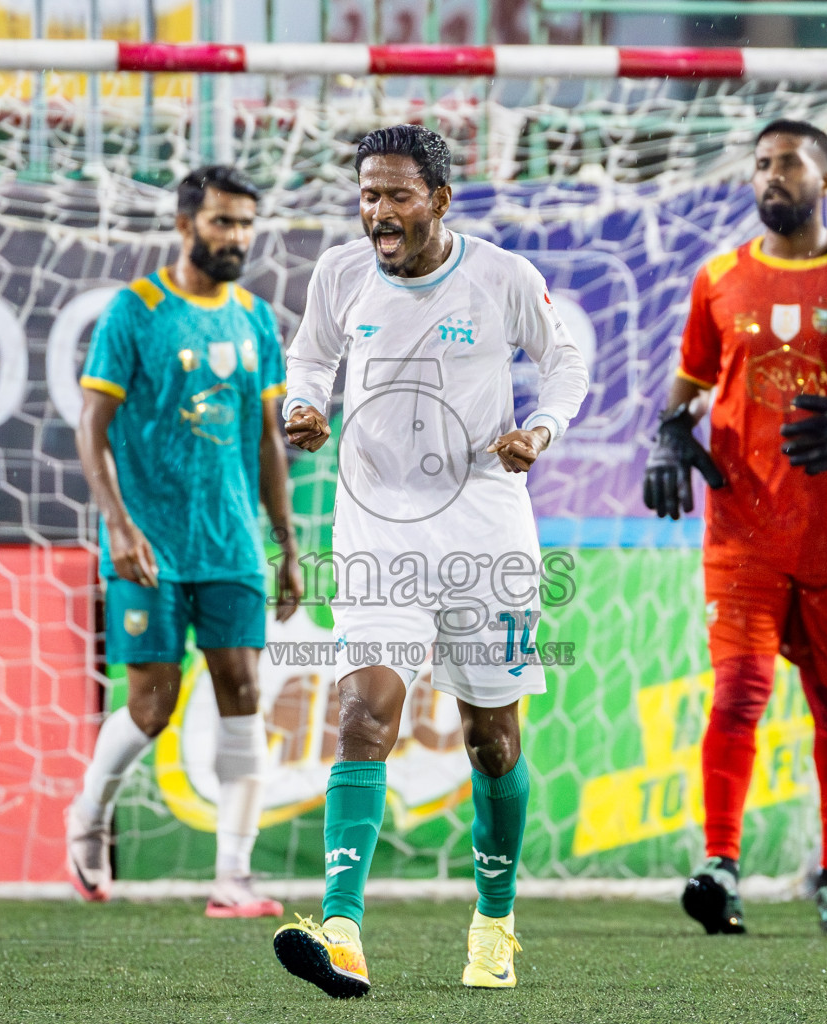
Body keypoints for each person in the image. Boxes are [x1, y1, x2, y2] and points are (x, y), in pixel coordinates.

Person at [272, 125, 588, 998]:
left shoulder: (500, 277)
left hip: (485, 528)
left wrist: (540, 430)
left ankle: (494, 925)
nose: (378, 212)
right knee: (363, 716)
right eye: (369, 194)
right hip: (375, 526)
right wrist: (304, 405)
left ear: (440, 201)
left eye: (397, 195)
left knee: (493, 741)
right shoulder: (338, 273)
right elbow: (312, 356)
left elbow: (565, 363)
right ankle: (341, 930)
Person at [644, 120, 827, 934]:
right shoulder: (718, 276)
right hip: (744, 528)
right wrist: (666, 437)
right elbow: (683, 392)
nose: (771, 177)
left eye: (788, 164)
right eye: (760, 165)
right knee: (741, 691)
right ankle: (720, 867)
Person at [65, 166, 302, 918]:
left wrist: (288, 544)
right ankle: (89, 817)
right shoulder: (135, 313)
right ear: (185, 225)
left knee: (243, 693)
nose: (236, 238)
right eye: (222, 223)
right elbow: (91, 429)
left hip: (231, 542)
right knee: (150, 705)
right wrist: (118, 524)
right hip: (149, 544)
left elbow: (267, 439)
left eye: (244, 225)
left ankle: (233, 876)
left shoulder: (256, 318)